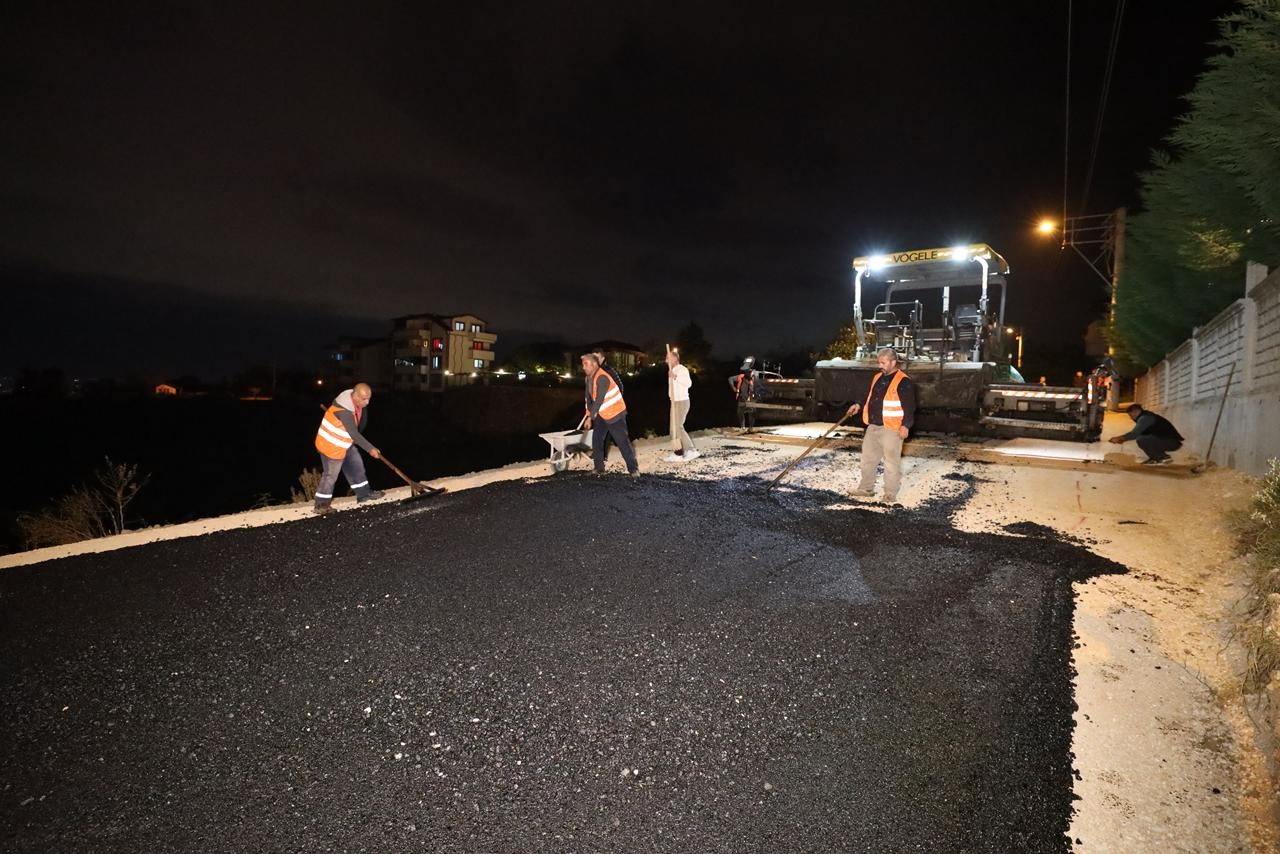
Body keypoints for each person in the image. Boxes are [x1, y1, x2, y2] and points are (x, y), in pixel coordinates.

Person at [846, 347, 917, 503]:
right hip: (873, 426)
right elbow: (869, 396)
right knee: (867, 459)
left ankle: (890, 493)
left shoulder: (904, 381)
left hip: (892, 428)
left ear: (893, 362)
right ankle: (866, 489)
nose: (880, 366)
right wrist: (858, 405)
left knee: (891, 462)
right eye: (879, 362)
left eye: (883, 363)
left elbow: (909, 406)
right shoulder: (877, 377)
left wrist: (906, 425)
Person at [313, 382, 384, 515]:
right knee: (330, 476)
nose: (367, 402)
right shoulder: (344, 411)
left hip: (345, 443)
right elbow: (354, 434)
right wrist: (370, 448)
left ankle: (363, 494)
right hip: (331, 445)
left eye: (369, 398)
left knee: (356, 466)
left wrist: (358, 440)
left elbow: (357, 429)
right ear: (355, 395)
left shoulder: (355, 402)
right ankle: (320, 505)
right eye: (364, 399)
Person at [582, 353, 639, 477]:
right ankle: (599, 469)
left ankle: (633, 469)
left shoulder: (603, 377)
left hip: (615, 413)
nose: (583, 367)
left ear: (594, 364)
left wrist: (590, 417)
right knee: (596, 440)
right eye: (583, 364)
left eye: (586, 364)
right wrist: (588, 413)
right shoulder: (588, 378)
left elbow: (599, 399)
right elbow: (588, 399)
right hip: (602, 413)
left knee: (622, 442)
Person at [1109, 403, 1183, 464]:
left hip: (1171, 442)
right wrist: (1122, 439)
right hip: (1166, 440)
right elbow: (1139, 433)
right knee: (1143, 437)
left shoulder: (1145, 418)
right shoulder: (1145, 416)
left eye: (1131, 415)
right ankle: (1155, 458)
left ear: (1136, 411)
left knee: (1142, 439)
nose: (1131, 418)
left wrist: (1119, 438)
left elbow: (1134, 434)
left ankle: (1163, 457)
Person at [664, 348, 700, 462]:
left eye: (668, 357)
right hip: (674, 402)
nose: (666, 359)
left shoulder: (682, 369)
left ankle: (691, 450)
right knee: (673, 429)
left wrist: (675, 376)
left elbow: (688, 384)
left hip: (682, 401)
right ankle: (678, 453)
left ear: (675, 358)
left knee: (678, 426)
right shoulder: (672, 370)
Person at [731, 358, 757, 431]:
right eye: (745, 371)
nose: (746, 373)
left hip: (751, 398)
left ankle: (751, 427)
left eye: (748, 371)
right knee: (740, 412)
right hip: (742, 398)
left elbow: (753, 389)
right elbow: (730, 379)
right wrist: (733, 387)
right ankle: (743, 426)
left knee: (752, 412)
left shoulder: (753, 377)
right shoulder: (740, 377)